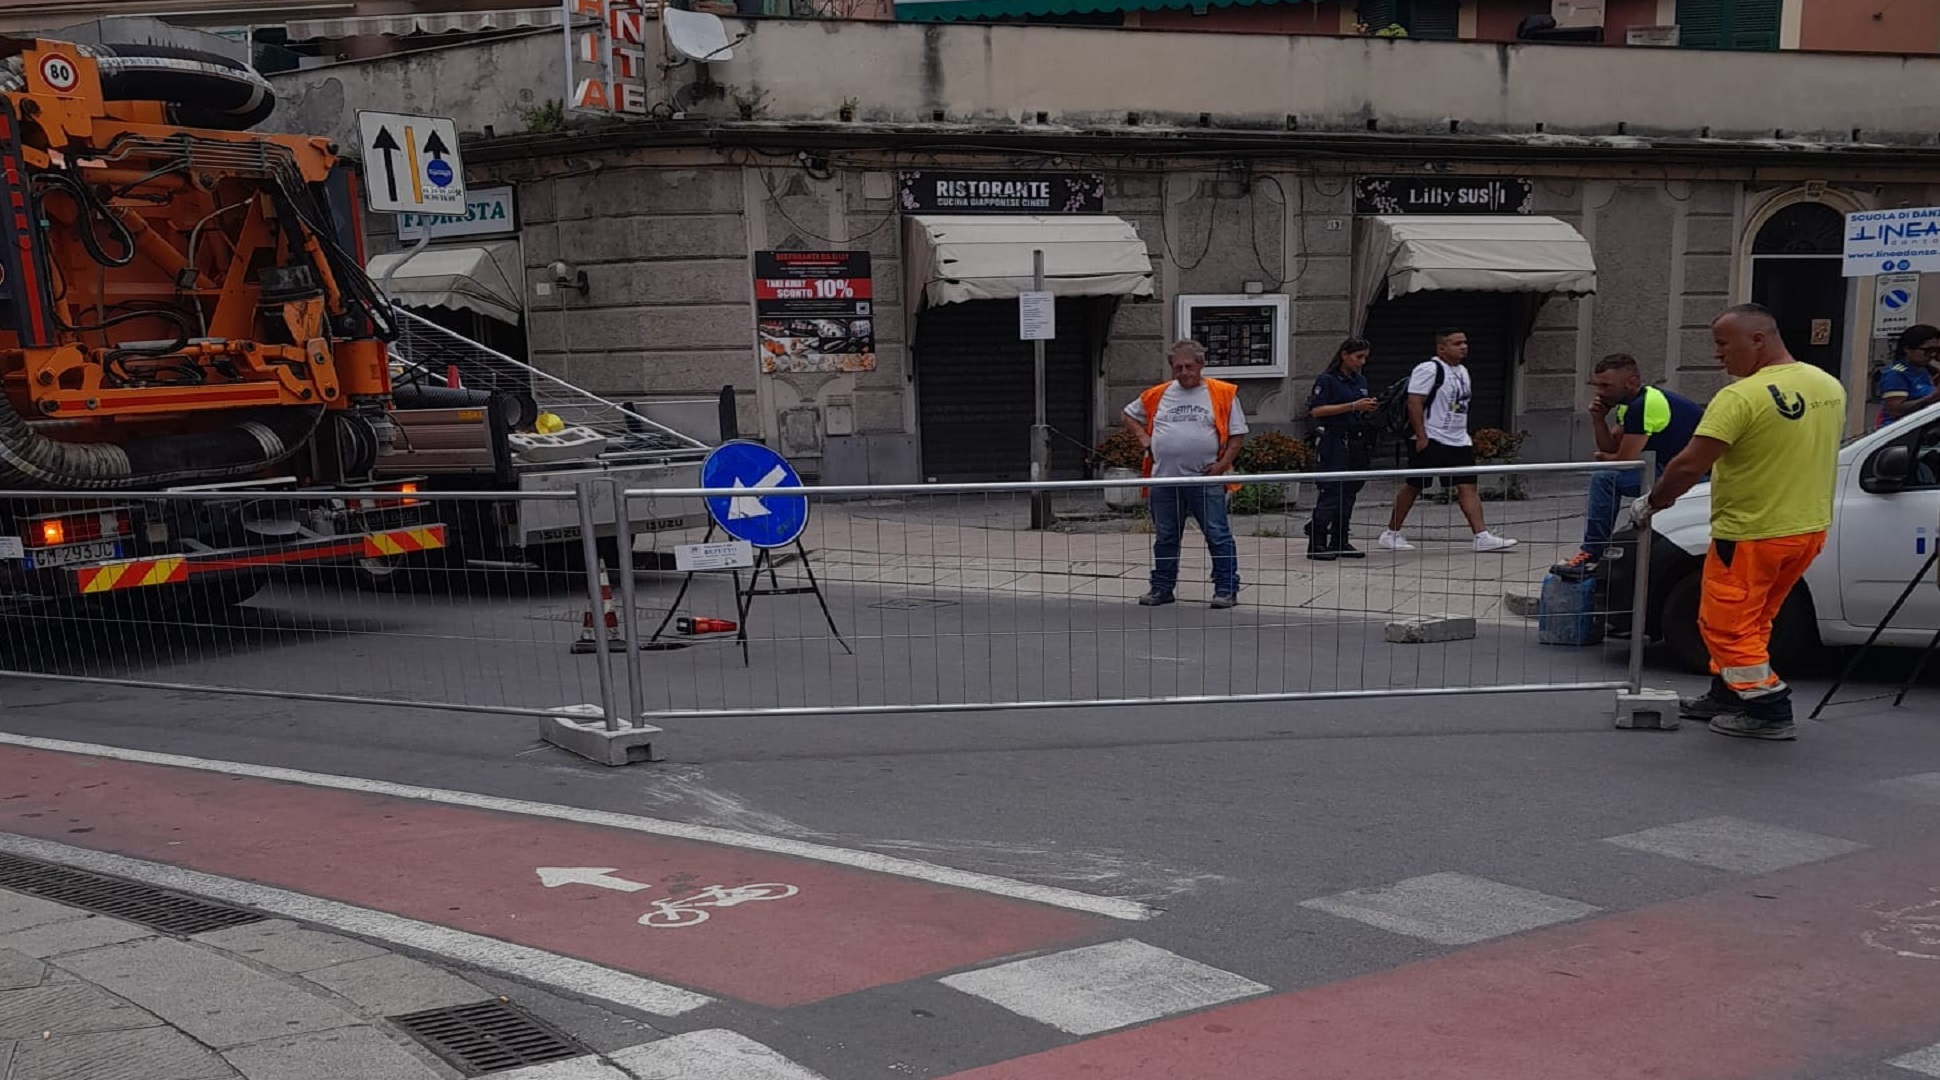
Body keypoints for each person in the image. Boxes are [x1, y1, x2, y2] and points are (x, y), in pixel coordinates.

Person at [1635, 303, 1846, 741]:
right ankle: (1728, 693)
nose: (1717, 355)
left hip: (1752, 530)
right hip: (1807, 528)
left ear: (1757, 339)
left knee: (1725, 624)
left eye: (1721, 344)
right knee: (1756, 620)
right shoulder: (1827, 385)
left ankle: (1769, 707)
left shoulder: (1740, 396)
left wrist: (1653, 502)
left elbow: (1690, 464)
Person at [1551, 353, 1703, 578]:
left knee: (1604, 479)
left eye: (1606, 386)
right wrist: (1598, 419)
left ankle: (1591, 555)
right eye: (1597, 385)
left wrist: (1609, 458)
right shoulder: (1628, 404)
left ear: (1631, 383)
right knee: (1606, 477)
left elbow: (1623, 461)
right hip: (1671, 471)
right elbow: (1613, 450)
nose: (1599, 392)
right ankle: (1594, 554)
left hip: (1694, 477)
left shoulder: (1645, 405)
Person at [1122, 340, 1246, 609]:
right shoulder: (1158, 394)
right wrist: (1143, 437)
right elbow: (1129, 414)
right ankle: (1162, 588)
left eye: (1189, 366)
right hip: (1164, 479)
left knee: (1217, 534)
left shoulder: (1222, 393)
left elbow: (1237, 435)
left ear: (1201, 365)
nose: (1184, 372)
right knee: (1166, 536)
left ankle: (1226, 588)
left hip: (1205, 478)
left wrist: (1223, 465)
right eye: (1178, 367)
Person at [1378, 327, 1519, 553]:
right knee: (1414, 485)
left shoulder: (1463, 371)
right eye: (1456, 343)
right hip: (1432, 437)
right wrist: (1422, 436)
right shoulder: (1429, 369)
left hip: (1458, 440)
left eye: (1464, 342)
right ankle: (1391, 532)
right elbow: (1414, 402)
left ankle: (1481, 535)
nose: (1463, 347)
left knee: (1468, 486)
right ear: (1441, 348)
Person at [1306, 337, 1379, 561]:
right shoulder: (1327, 380)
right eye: (1358, 357)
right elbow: (1317, 411)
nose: (1361, 362)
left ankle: (1340, 540)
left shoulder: (1359, 380)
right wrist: (1352, 406)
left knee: (1349, 493)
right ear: (1344, 355)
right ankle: (1317, 543)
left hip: (1355, 440)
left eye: (1365, 357)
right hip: (1334, 440)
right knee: (1331, 491)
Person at [1876, 323, 1940, 428]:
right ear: (1907, 349)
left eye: (1935, 351)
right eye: (1927, 350)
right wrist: (1931, 398)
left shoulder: (1926, 370)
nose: (1932, 355)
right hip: (1899, 432)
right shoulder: (1896, 373)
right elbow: (1895, 410)